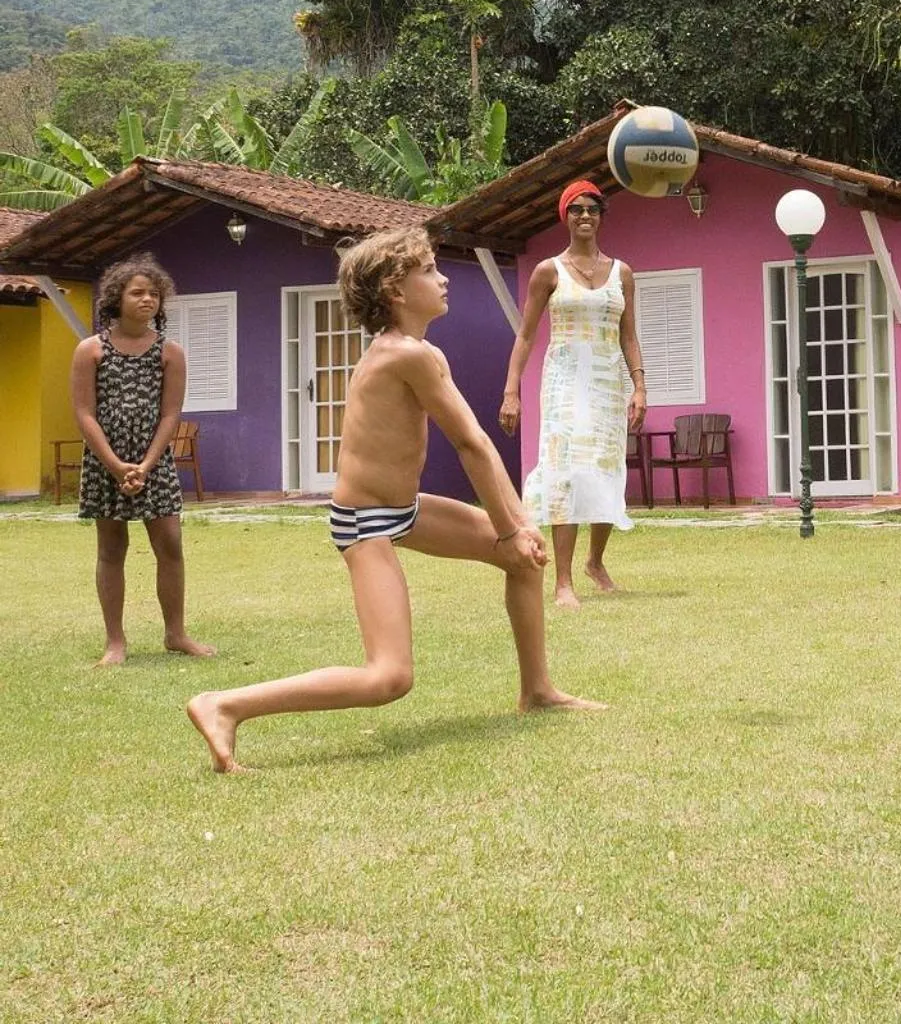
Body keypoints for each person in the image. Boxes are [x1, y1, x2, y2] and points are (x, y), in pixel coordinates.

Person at [187, 228, 602, 773]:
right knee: (389, 677)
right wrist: (507, 530)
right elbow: (472, 445)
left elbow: (477, 444)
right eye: (429, 270)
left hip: (402, 509)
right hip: (365, 524)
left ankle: (539, 689)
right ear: (396, 291)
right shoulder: (404, 355)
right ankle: (224, 705)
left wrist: (519, 529)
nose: (444, 276)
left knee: (520, 560)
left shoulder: (422, 350)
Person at [500, 180, 646, 607]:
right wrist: (512, 392)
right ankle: (563, 581)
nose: (585, 216)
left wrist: (640, 385)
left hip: (606, 381)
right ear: (565, 216)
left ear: (601, 217)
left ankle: (594, 562)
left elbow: (629, 336)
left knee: (604, 467)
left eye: (593, 209)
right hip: (564, 381)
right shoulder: (549, 271)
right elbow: (525, 336)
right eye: (576, 209)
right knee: (565, 471)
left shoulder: (623, 273)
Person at [70, 254, 215, 666]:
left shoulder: (170, 353)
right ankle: (115, 642)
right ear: (116, 298)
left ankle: (176, 634)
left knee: (169, 544)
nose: (147, 299)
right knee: (111, 547)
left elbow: (171, 413)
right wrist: (116, 465)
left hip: (155, 461)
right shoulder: (90, 350)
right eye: (137, 293)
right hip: (104, 462)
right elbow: (84, 412)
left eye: (153, 293)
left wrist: (147, 464)